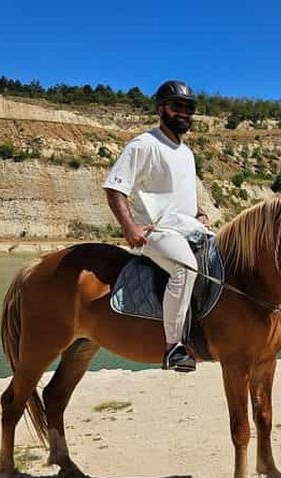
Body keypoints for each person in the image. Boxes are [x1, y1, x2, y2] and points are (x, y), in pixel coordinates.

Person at [103, 80, 209, 372]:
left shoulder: (186, 153)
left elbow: (178, 194)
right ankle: (174, 347)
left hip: (188, 228)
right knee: (185, 269)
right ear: (161, 109)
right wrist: (130, 227)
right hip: (157, 231)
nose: (184, 113)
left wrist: (199, 213)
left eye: (189, 108)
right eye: (177, 107)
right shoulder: (144, 144)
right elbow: (115, 187)